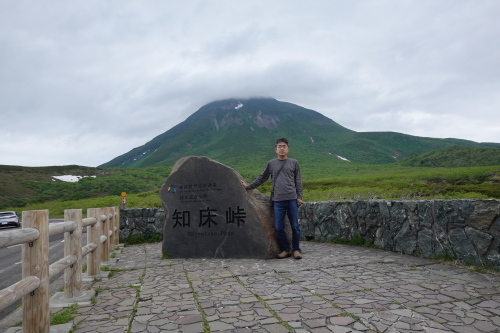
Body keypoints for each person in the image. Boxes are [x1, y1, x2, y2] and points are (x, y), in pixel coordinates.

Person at [240, 138, 303, 259]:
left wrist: (299, 197)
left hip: (292, 199)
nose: (282, 148)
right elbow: (262, 177)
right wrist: (249, 187)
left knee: (295, 226)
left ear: (288, 149)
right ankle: (285, 249)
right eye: (280, 146)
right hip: (277, 200)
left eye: (284, 146)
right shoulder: (271, 163)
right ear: (276, 149)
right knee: (279, 227)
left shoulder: (294, 163)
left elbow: (298, 181)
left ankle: (296, 249)